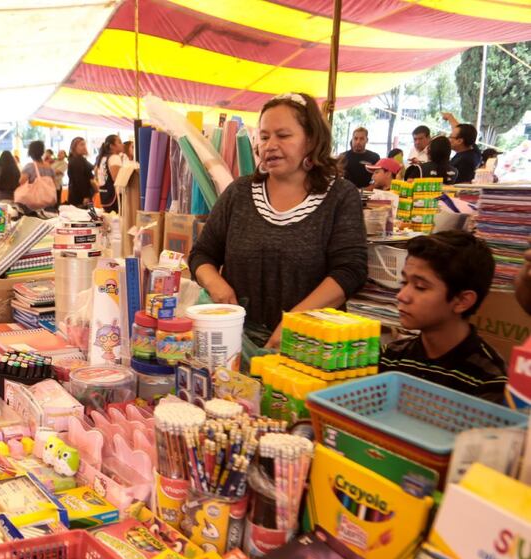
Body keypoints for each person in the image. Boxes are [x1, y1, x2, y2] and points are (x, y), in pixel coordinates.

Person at [189, 92, 367, 348]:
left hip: (311, 347)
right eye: (263, 137)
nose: (270, 145)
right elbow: (202, 254)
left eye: (283, 136)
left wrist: (296, 321)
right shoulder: (239, 193)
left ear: (311, 139)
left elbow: (351, 271)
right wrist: (216, 284)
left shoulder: (339, 196)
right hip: (236, 344)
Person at [380, 231, 506, 403]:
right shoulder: (390, 357)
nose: (402, 296)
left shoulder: (490, 380)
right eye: (404, 282)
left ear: (462, 301)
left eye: (420, 287)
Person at [442, 113, 483, 184]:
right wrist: (450, 117)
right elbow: (461, 131)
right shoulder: (474, 150)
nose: (448, 139)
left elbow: (457, 184)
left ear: (460, 141)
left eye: (450, 136)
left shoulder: (464, 161)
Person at [95, 134, 123, 213]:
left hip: (104, 196)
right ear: (112, 146)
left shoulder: (102, 158)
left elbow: (96, 175)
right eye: (119, 142)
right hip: (114, 197)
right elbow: (117, 179)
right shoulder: (114, 157)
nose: (122, 144)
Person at [65, 137, 95, 208]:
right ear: (74, 147)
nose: (84, 147)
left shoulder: (80, 159)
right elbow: (80, 180)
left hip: (81, 195)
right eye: (81, 145)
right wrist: (86, 196)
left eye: (85, 144)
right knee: (83, 217)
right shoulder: (77, 160)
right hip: (80, 197)